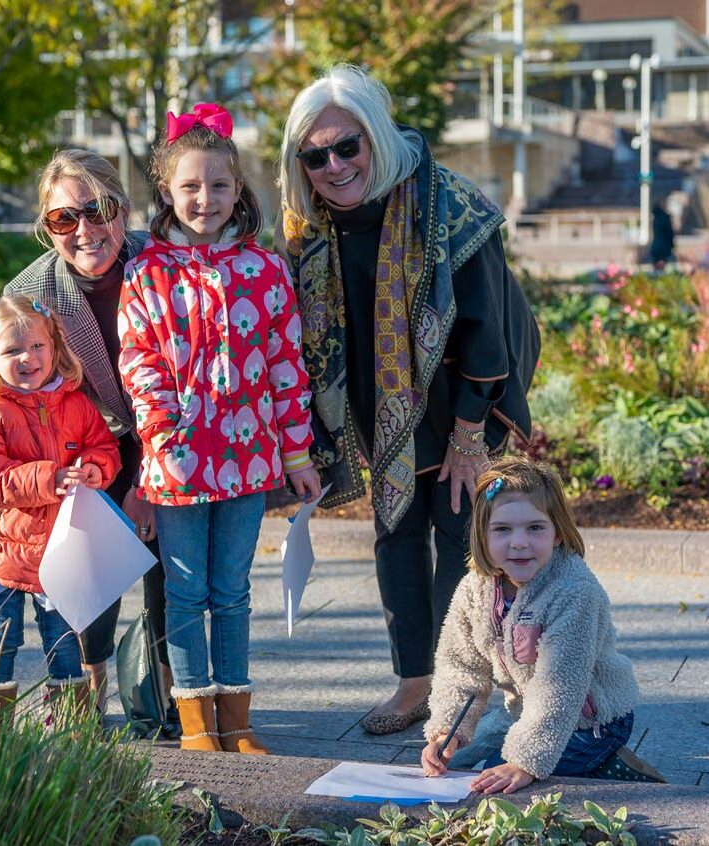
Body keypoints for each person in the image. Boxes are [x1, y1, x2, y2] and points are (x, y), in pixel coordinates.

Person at [278, 65, 540, 733]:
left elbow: (487, 327)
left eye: (348, 146)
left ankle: (466, 685)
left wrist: (468, 433)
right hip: (376, 410)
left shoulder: (448, 204)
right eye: (316, 155)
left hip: (459, 404)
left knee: (460, 538)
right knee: (394, 537)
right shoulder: (310, 230)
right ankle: (413, 683)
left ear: (377, 138)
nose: (334, 165)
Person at [0, 150, 176, 727]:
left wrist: (149, 476)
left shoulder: (167, 264)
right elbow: (1, 408)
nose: (84, 229)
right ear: (46, 229)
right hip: (82, 446)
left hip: (172, 437)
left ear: (123, 208)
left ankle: (171, 694)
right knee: (85, 566)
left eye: (98, 209)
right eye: (63, 219)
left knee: (172, 571)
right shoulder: (31, 292)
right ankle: (87, 692)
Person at [118, 103, 322, 754]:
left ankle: (237, 721)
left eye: (219, 185)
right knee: (184, 591)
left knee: (232, 591)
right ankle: (197, 723)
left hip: (248, 462)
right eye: (190, 186)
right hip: (175, 464)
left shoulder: (264, 272)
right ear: (167, 193)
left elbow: (288, 364)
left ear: (240, 192)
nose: (205, 198)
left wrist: (296, 452)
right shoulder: (147, 273)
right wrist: (161, 439)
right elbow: (140, 361)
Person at [421, 456, 665, 791]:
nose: (518, 542)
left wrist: (524, 762)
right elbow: (460, 669)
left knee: (492, 779)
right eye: (502, 529)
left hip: (590, 720)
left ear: (558, 534)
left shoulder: (575, 592)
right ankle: (563, 761)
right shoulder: (474, 589)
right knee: (451, 761)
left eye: (535, 528)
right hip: (524, 710)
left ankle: (610, 767)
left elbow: (560, 687)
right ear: (482, 534)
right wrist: (445, 731)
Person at [0, 295, 121, 724]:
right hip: (3, 558)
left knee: (64, 644)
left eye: (36, 347)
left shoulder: (75, 404)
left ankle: (71, 728)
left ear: (54, 347)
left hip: (57, 556)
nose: (27, 358)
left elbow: (104, 447)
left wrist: (93, 470)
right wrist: (50, 478)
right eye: (12, 351)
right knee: (1, 641)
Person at [649, 201, 675, 266]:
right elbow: (669, 232)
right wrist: (671, 244)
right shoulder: (664, 218)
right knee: (662, 265)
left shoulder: (656, 218)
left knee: (658, 266)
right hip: (664, 247)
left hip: (656, 246)